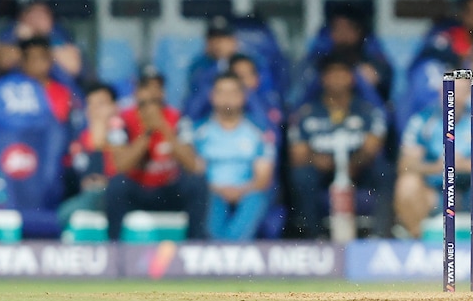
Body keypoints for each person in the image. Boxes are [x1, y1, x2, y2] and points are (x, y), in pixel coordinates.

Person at [394, 45, 473, 238]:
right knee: (407, 184)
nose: (452, 96)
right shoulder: (422, 120)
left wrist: (462, 165)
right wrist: (439, 166)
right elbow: (406, 164)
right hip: (435, 191)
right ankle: (418, 242)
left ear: (467, 94)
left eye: (458, 91)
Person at [288, 52, 389, 239]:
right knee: (302, 176)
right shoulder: (306, 113)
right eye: (331, 74)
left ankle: (381, 234)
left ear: (351, 78)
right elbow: (297, 154)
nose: (337, 79)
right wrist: (320, 160)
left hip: (358, 168)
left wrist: (351, 164)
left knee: (384, 171)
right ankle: (313, 236)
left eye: (342, 73)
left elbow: (373, 146)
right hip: (321, 168)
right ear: (323, 79)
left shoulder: (367, 110)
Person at [104, 67, 209, 240]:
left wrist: (164, 128)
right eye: (146, 87)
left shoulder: (178, 118)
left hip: (168, 189)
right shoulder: (121, 120)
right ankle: (113, 245)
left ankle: (194, 245)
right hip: (138, 189)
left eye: (157, 87)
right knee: (116, 186)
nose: (152, 93)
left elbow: (191, 164)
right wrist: (147, 133)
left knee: (197, 183)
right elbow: (121, 165)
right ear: (137, 91)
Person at [0, 38, 73, 231]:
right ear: (23, 62)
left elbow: (57, 138)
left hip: (45, 177)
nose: (39, 64)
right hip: (9, 177)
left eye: (43, 58)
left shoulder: (59, 92)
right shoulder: (3, 89)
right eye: (33, 58)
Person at [182, 73, 275, 241]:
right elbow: (195, 172)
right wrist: (220, 190)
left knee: (256, 198)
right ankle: (224, 245)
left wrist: (239, 191)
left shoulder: (259, 132)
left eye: (232, 92)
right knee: (206, 198)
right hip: (212, 191)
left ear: (243, 97)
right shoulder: (198, 132)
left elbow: (263, 177)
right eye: (222, 92)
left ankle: (229, 246)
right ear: (212, 96)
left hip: (247, 191)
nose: (227, 98)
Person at [58, 83, 121, 228]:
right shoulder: (77, 143)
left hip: (116, 195)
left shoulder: (124, 134)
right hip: (87, 198)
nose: (95, 110)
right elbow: (70, 179)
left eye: (101, 104)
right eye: (91, 105)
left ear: (114, 107)